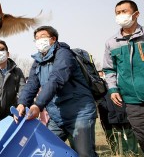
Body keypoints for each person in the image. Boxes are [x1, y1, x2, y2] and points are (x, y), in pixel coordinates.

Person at [16, 26, 97, 157]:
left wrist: (38, 105)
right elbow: (31, 84)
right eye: (36, 38)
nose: (39, 40)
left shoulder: (64, 54)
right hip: (57, 116)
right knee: (45, 151)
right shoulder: (38, 61)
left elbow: (56, 79)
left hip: (79, 113)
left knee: (84, 153)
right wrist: (22, 103)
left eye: (42, 37)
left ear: (53, 39)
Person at [103, 0, 144, 152]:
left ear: (136, 14)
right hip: (131, 100)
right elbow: (109, 69)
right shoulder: (111, 43)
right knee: (141, 136)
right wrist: (113, 89)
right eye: (117, 13)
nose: (120, 15)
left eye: (124, 12)